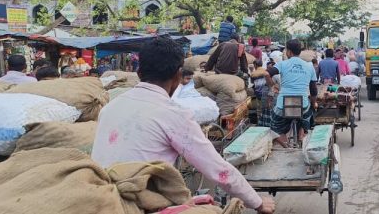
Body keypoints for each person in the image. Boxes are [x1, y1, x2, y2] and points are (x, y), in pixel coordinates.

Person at [91, 37, 275, 214]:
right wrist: (258, 202)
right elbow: (218, 170)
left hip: (99, 203)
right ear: (179, 76)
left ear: (139, 73)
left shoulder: (109, 108)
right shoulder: (173, 114)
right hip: (138, 205)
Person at [265, 39, 317, 148]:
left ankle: (286, 146)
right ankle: (302, 135)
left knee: (274, 127)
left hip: (283, 105)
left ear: (289, 51)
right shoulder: (309, 66)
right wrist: (314, 103)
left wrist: (272, 86)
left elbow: (266, 73)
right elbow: (313, 90)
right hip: (302, 104)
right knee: (307, 115)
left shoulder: (282, 64)